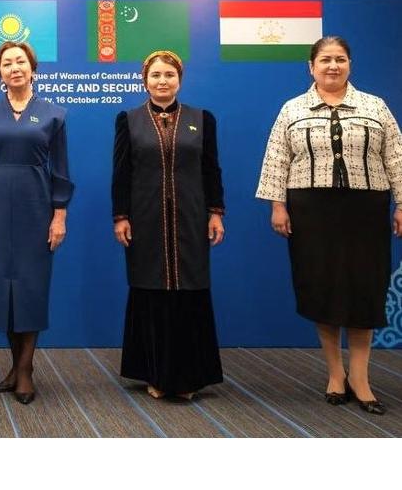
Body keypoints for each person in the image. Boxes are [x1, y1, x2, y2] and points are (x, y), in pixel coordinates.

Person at [256, 36, 402, 415]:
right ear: (311, 67)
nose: (333, 66)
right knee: (323, 288)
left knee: (365, 289)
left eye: (340, 59)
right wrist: (277, 206)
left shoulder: (375, 106)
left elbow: (396, 157)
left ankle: (361, 378)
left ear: (350, 64)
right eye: (325, 60)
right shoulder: (292, 109)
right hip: (311, 212)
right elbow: (277, 160)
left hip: (366, 210)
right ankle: (336, 374)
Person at [111, 50, 225, 400]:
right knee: (151, 291)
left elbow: (211, 169)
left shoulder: (201, 119)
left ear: (180, 79)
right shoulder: (129, 120)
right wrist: (121, 216)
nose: (163, 81)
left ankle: (189, 376)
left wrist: (215, 212)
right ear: (144, 81)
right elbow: (121, 172)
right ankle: (155, 374)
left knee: (189, 291)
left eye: (169, 75)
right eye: (156, 75)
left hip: (191, 218)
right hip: (145, 219)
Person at [0, 41, 73, 405]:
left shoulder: (54, 114)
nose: (15, 68)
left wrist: (59, 215)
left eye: (21, 62)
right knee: (4, 288)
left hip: (36, 206)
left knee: (31, 287)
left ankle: (25, 370)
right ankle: (16, 365)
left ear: (32, 69)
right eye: (7, 63)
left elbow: (61, 169)